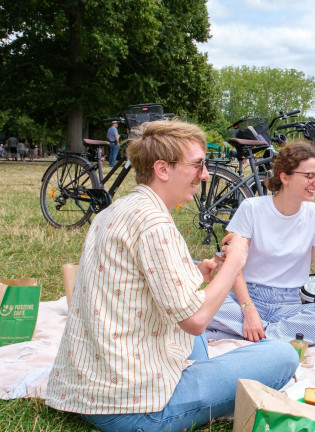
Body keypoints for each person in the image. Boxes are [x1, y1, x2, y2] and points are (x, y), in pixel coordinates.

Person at [46, 119, 298, 432]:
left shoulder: (114, 211)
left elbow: (134, 284)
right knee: (282, 354)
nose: (204, 175)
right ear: (163, 169)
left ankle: (205, 378)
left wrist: (197, 272)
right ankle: (202, 386)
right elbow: (195, 320)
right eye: (197, 165)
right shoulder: (155, 225)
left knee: (197, 334)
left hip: (88, 390)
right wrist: (236, 262)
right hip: (136, 410)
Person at [207, 141, 315, 344]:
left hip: (289, 305)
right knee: (199, 305)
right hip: (246, 297)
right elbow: (233, 266)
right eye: (309, 176)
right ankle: (276, 336)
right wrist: (249, 310)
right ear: (285, 177)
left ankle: (256, 334)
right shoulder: (251, 208)